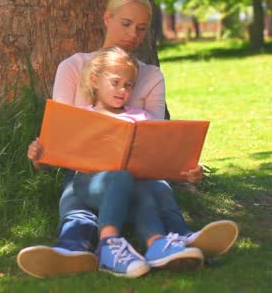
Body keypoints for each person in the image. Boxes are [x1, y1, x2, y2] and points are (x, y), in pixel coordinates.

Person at [17, 0, 238, 279]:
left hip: (140, 174)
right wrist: (41, 156)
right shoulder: (75, 67)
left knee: (149, 184)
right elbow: (59, 139)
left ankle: (172, 239)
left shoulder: (150, 76)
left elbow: (155, 142)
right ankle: (78, 245)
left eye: (142, 28)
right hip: (85, 172)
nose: (133, 33)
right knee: (79, 189)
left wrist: (182, 169)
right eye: (126, 24)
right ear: (107, 18)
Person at [27, 46, 208, 278]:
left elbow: (160, 158)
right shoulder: (80, 117)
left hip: (133, 184)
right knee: (123, 177)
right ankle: (108, 244)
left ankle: (157, 244)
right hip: (88, 183)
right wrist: (37, 157)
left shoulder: (141, 117)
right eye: (115, 82)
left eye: (128, 85)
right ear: (94, 80)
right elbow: (49, 159)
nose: (122, 90)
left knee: (138, 183)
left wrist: (187, 172)